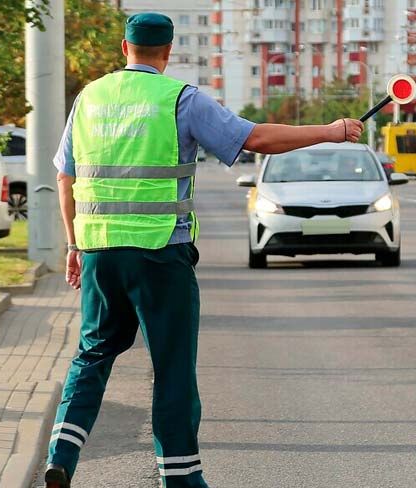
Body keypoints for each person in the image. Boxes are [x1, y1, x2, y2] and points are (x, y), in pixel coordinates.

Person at [43, 12, 364, 488]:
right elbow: (255, 138)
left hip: (99, 252)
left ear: (123, 49)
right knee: (172, 369)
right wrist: (331, 131)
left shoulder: (89, 98)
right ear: (168, 52)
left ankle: (62, 455)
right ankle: (182, 479)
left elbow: (65, 176)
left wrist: (73, 244)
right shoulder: (181, 100)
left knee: (92, 353)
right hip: (159, 256)